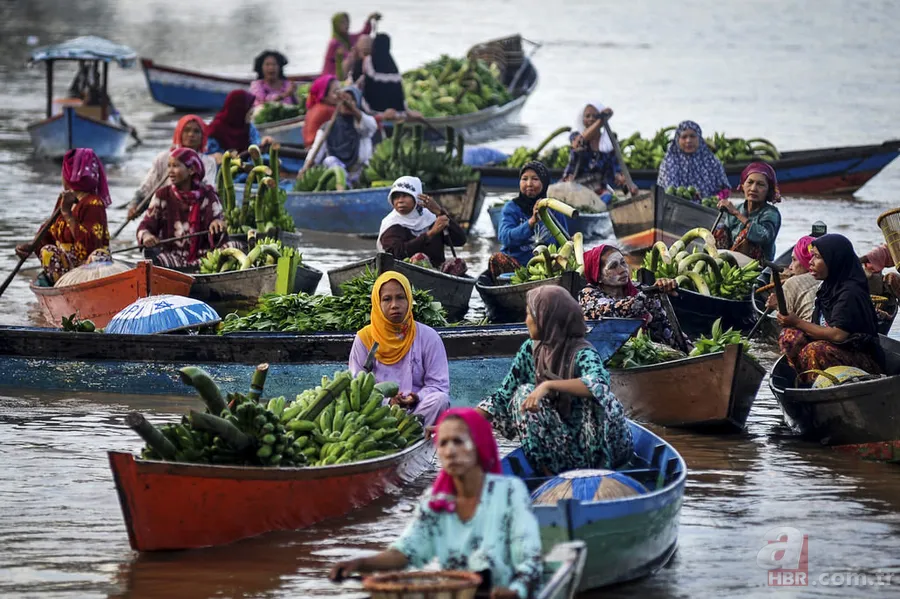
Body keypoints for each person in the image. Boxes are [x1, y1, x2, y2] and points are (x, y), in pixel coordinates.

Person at [329, 408, 543, 599]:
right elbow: (405, 553)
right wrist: (360, 564)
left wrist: (516, 591)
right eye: (443, 443)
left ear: (479, 445)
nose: (449, 451)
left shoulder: (509, 492)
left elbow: (530, 560)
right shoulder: (436, 502)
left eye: (458, 441)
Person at [477, 286, 634, 475]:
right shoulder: (530, 349)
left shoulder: (582, 351)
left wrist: (548, 385)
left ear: (547, 320)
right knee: (523, 395)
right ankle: (549, 477)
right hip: (564, 448)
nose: (526, 321)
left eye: (530, 315)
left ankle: (598, 473)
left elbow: (599, 385)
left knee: (601, 399)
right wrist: (459, 421)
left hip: (600, 448)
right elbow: (502, 397)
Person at [777, 234, 884, 385]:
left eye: (817, 257)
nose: (811, 262)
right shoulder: (827, 288)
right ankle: (805, 383)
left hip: (863, 360)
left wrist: (796, 321)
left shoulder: (850, 292)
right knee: (789, 337)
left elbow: (838, 335)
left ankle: (818, 389)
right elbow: (817, 328)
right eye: (811, 256)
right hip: (835, 350)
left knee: (814, 350)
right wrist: (790, 324)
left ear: (834, 260)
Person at [348, 271, 451, 425]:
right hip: (379, 411)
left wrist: (416, 397)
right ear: (377, 303)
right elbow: (357, 387)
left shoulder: (428, 337)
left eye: (400, 297)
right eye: (387, 299)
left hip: (417, 409)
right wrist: (388, 402)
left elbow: (438, 385)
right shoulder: (365, 339)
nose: (394, 305)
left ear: (409, 299)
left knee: (440, 400)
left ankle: (416, 435)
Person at [15, 149, 111, 284]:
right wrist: (32, 245)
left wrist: (67, 214)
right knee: (47, 251)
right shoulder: (64, 198)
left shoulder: (93, 203)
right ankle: (63, 291)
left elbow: (89, 247)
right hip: (65, 275)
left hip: (90, 275)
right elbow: (49, 230)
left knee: (97, 257)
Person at [136, 148, 230, 269]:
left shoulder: (209, 195)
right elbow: (145, 226)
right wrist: (146, 236)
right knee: (151, 254)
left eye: (175, 166)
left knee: (234, 247)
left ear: (191, 170)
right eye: (169, 166)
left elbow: (219, 227)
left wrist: (217, 224)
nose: (170, 171)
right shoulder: (162, 195)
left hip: (205, 258)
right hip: (171, 258)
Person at [578, 244, 683, 348]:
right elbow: (615, 311)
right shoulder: (588, 295)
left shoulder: (638, 289)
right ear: (598, 276)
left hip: (646, 353)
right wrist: (650, 293)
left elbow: (664, 328)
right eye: (613, 266)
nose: (622, 269)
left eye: (623, 263)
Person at [127, 115, 217, 220]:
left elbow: (207, 190)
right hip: (166, 210)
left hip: (195, 211)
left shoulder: (208, 162)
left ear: (202, 136)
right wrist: (135, 205)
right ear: (179, 133)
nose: (191, 134)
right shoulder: (164, 158)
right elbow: (147, 187)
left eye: (196, 131)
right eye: (186, 130)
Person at [491, 161, 569, 281]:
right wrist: (532, 222)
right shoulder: (511, 208)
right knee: (496, 259)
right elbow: (505, 238)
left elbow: (563, 242)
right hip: (517, 267)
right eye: (524, 179)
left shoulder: (553, 209)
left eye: (535, 179)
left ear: (544, 183)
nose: (529, 184)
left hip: (547, 268)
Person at [377, 176, 466, 268]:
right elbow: (395, 253)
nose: (400, 201)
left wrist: (440, 212)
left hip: (437, 272)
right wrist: (430, 234)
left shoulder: (432, 217)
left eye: (405, 196)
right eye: (396, 197)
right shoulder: (391, 223)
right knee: (419, 258)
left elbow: (460, 240)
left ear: (417, 198)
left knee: (459, 264)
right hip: (402, 274)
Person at [303, 86, 377, 185]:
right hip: (336, 176)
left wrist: (353, 109)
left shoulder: (362, 125)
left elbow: (372, 126)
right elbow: (315, 153)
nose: (346, 104)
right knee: (330, 161)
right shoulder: (328, 127)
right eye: (343, 100)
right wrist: (305, 168)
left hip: (359, 173)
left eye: (351, 100)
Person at [561, 102, 636, 197]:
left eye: (595, 116)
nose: (591, 119)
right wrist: (601, 119)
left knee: (607, 197)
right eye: (587, 116)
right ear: (582, 119)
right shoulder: (575, 136)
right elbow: (579, 141)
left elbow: (615, 170)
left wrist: (624, 181)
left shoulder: (608, 145)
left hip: (598, 190)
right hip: (573, 186)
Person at [714, 162, 782, 261]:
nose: (753, 189)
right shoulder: (738, 208)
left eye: (760, 184)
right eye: (750, 182)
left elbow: (763, 236)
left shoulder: (771, 213)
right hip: (730, 258)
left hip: (758, 264)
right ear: (743, 185)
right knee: (720, 229)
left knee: (747, 235)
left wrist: (737, 214)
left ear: (768, 190)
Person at [657, 120, 731, 199]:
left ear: (699, 138)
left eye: (692, 136)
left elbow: (725, 189)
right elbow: (669, 192)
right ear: (677, 139)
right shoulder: (669, 163)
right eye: (684, 137)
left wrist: (717, 198)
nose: (688, 141)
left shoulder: (712, 162)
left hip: (710, 208)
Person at [358, 33, 422, 121]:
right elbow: (399, 93)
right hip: (395, 110)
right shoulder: (393, 66)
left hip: (373, 107)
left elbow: (369, 85)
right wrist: (405, 110)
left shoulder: (369, 60)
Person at [764, 235, 820, 322]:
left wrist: (776, 305)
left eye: (794, 260)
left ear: (807, 262)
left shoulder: (792, 282)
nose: (790, 266)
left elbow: (784, 320)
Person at [206, 90, 274, 158]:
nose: (252, 111)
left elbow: (256, 144)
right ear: (238, 109)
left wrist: (264, 142)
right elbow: (214, 155)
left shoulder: (248, 127)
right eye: (249, 107)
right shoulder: (216, 129)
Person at [322, 11, 381, 81]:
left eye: (347, 22)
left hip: (345, 75)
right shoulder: (334, 43)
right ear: (336, 25)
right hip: (331, 77)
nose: (346, 24)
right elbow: (348, 58)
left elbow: (363, 34)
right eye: (342, 22)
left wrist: (369, 19)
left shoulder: (349, 38)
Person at [303, 74, 340, 147]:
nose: (340, 95)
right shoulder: (327, 110)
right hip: (316, 150)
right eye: (335, 92)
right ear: (323, 96)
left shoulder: (315, 107)